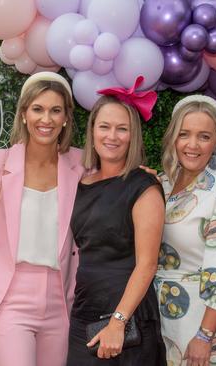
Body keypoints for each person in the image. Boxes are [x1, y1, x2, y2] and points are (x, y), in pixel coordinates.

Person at [0, 71, 83, 366]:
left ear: (67, 117)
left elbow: (116, 184)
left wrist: (143, 178)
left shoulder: (82, 165)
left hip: (61, 299)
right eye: (38, 109)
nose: (46, 119)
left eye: (56, 110)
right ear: (23, 114)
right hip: (10, 297)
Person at [66, 76, 166, 366]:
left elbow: (147, 264)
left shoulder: (143, 186)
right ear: (92, 131)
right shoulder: (81, 183)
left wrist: (118, 322)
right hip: (84, 314)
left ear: (132, 135)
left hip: (129, 318)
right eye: (105, 127)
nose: (112, 136)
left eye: (122, 129)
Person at [154, 94, 216, 366]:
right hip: (161, 318)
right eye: (184, 134)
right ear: (173, 138)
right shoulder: (159, 186)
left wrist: (204, 335)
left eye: (203, 136)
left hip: (205, 323)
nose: (192, 145)